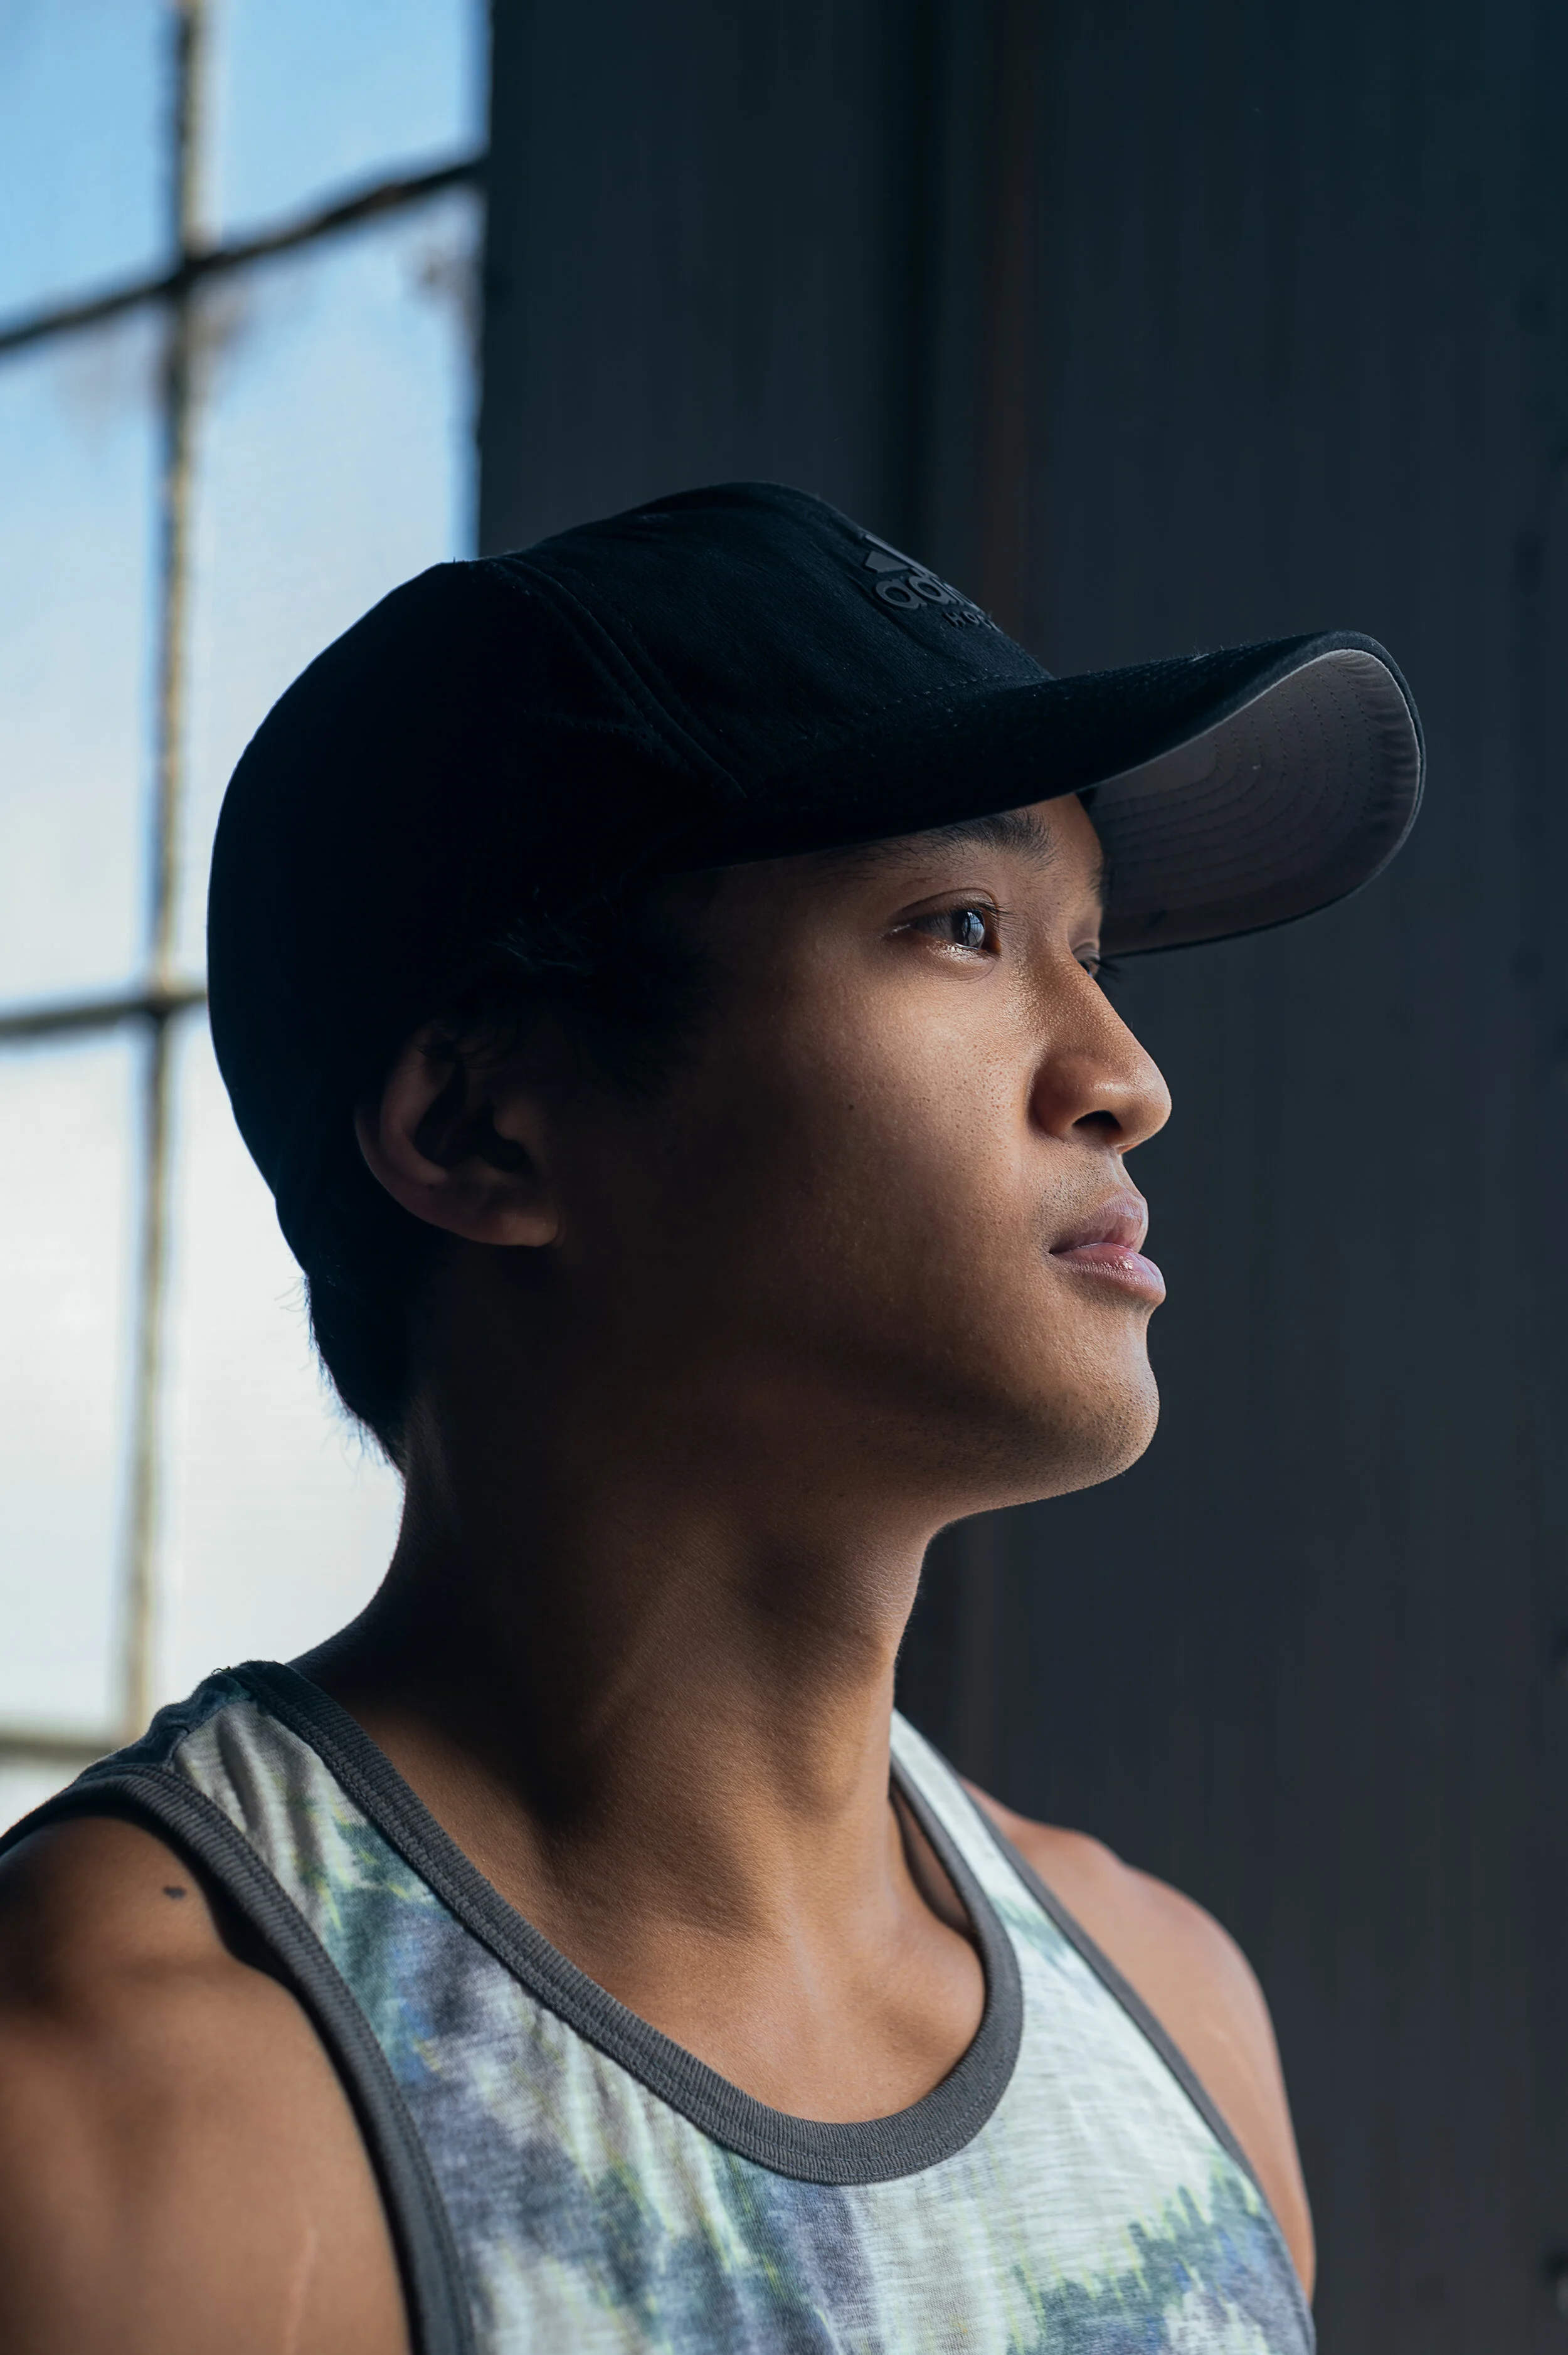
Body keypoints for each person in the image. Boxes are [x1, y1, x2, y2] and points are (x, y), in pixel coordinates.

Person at [0, 484, 1422, 2355]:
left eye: (1095, 951)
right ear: (484, 1130)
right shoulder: (123, 2110)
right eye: (963, 926)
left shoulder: (1178, 2018)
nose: (1124, 1078)